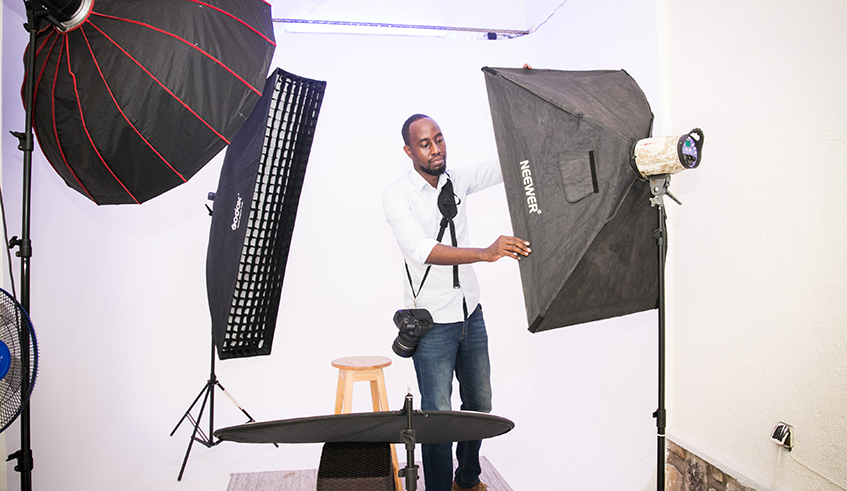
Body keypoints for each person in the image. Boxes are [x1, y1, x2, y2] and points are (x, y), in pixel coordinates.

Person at [382, 114, 530, 491]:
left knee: (480, 404)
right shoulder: (398, 196)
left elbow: (507, 164)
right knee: (437, 417)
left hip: (471, 315)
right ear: (408, 151)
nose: (435, 149)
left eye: (439, 139)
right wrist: (484, 253)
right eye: (425, 143)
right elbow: (423, 250)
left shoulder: (457, 181)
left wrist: (521, 104)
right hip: (432, 325)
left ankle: (467, 480)